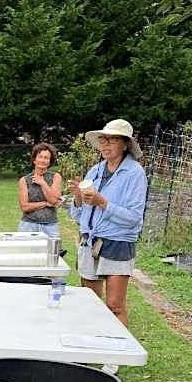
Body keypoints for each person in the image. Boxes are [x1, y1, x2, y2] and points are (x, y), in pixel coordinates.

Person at [69, 118, 148, 327]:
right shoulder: (95, 171)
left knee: (115, 305)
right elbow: (78, 215)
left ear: (125, 144)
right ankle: (92, 345)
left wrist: (103, 203)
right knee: (90, 302)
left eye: (112, 140)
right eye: (103, 139)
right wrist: (78, 198)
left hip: (118, 243)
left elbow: (134, 218)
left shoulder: (135, 174)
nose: (105, 144)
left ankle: (114, 357)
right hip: (89, 241)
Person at [19, 142, 62, 237]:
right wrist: (45, 203)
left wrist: (42, 183)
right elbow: (25, 207)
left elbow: (54, 200)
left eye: (46, 158)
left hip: (50, 226)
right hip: (28, 226)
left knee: (52, 252)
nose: (42, 160)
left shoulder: (55, 177)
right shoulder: (24, 180)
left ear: (50, 162)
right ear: (34, 160)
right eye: (40, 156)